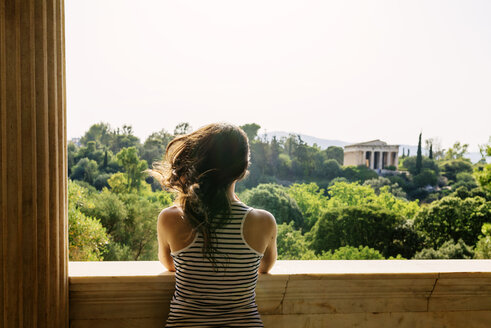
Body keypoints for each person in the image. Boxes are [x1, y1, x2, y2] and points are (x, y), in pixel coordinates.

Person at [148, 122, 277, 328]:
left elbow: (170, 264)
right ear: (242, 170)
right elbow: (264, 267)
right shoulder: (263, 221)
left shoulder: (171, 218)